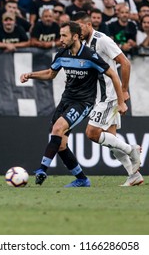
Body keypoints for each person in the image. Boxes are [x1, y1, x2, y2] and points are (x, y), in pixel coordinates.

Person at [20, 21, 128, 187]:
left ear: (75, 36)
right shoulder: (62, 53)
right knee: (60, 143)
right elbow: (50, 74)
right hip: (66, 100)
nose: (60, 39)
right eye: (60, 35)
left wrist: (121, 102)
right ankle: (82, 179)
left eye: (64, 35)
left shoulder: (90, 55)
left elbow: (113, 75)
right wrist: (30, 75)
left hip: (83, 103)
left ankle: (42, 169)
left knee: (57, 129)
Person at [72, 11, 144, 186]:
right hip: (98, 95)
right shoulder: (84, 44)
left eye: (80, 26)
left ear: (89, 25)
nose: (78, 30)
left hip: (109, 95)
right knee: (111, 139)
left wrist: (124, 92)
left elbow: (125, 63)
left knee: (92, 133)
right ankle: (133, 175)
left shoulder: (102, 40)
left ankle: (132, 149)